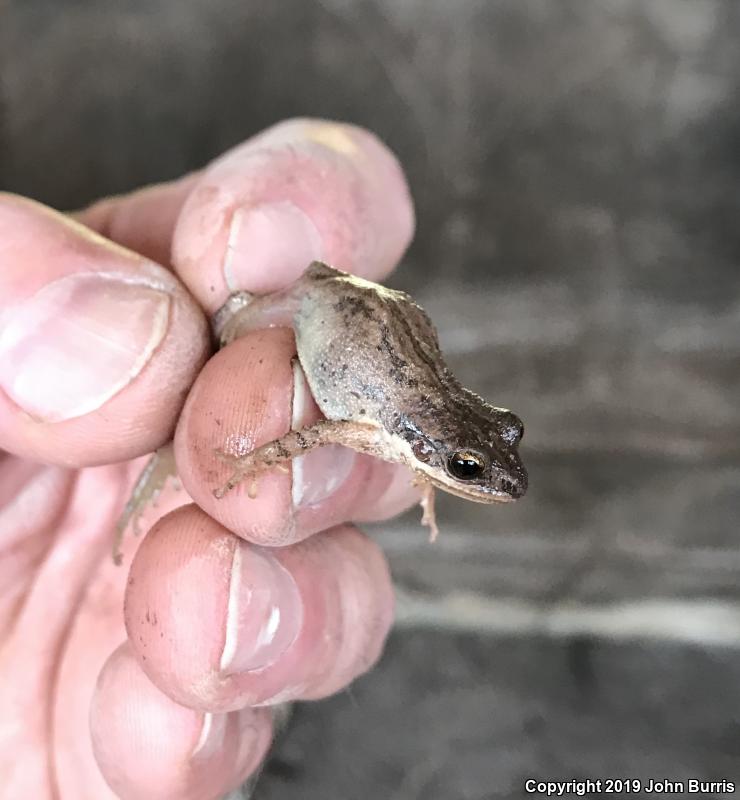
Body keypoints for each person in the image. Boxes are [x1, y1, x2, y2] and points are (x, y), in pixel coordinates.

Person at [0, 118, 419, 799]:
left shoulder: (397, 437)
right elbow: (306, 437)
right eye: (458, 468)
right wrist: (256, 463)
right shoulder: (382, 428)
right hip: (293, 311)